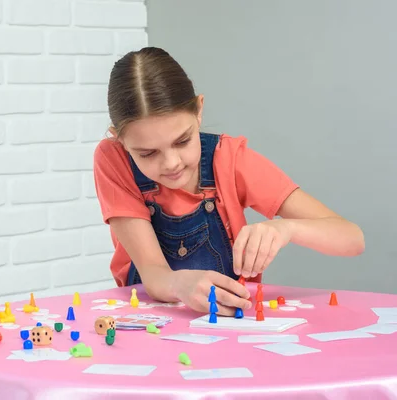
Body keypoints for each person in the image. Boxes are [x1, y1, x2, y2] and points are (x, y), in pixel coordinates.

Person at [93, 47, 364, 316]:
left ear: (199, 110)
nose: (171, 163)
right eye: (148, 153)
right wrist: (179, 284)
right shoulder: (113, 159)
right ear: (120, 139)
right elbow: (154, 273)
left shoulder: (230, 160)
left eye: (183, 140)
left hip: (229, 325)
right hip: (150, 323)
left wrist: (287, 230)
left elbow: (352, 238)